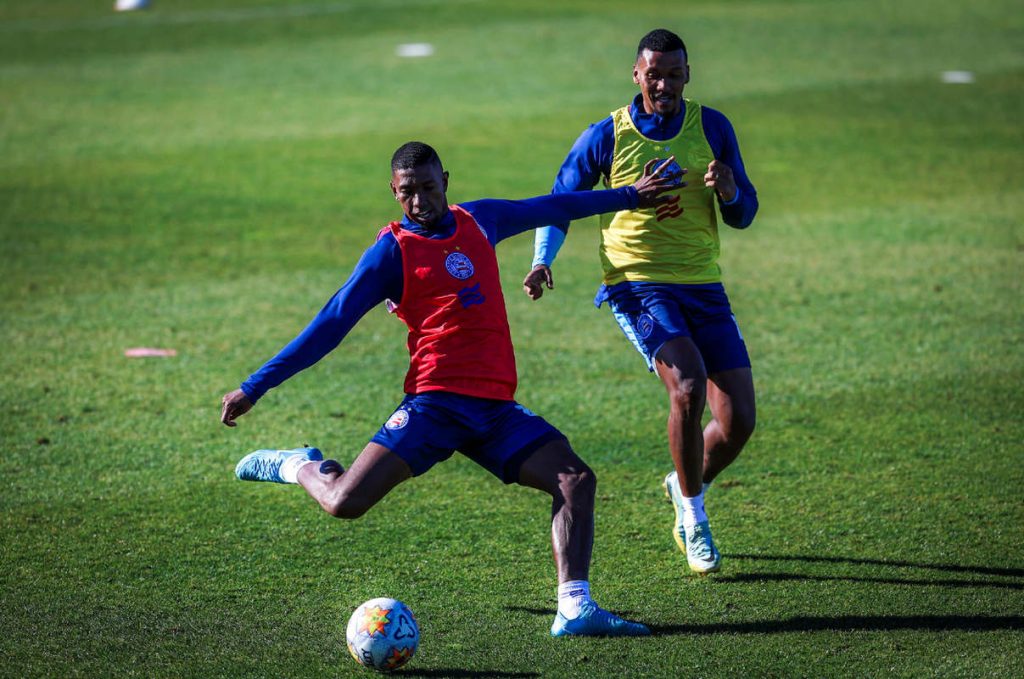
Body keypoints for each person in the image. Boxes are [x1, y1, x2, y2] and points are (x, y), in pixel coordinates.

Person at [220, 141, 680, 637]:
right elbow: (330, 324)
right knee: (343, 504)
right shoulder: (391, 253)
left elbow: (552, 206)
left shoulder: (479, 221)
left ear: (446, 180)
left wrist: (631, 195)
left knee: (575, 481)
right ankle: (300, 464)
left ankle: (573, 606)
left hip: (494, 410)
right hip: (433, 404)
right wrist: (255, 386)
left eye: (427, 187)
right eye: (406, 193)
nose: (418, 201)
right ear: (394, 193)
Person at [523, 29, 758, 575]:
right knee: (689, 384)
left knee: (738, 420)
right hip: (637, 283)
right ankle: (695, 519)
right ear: (636, 75)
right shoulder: (608, 134)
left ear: (687, 75)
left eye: (674, 74)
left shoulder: (713, 127)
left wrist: (729, 191)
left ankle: (683, 483)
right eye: (654, 74)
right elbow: (562, 200)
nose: (664, 84)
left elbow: (744, 212)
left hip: (702, 284)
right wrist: (543, 260)